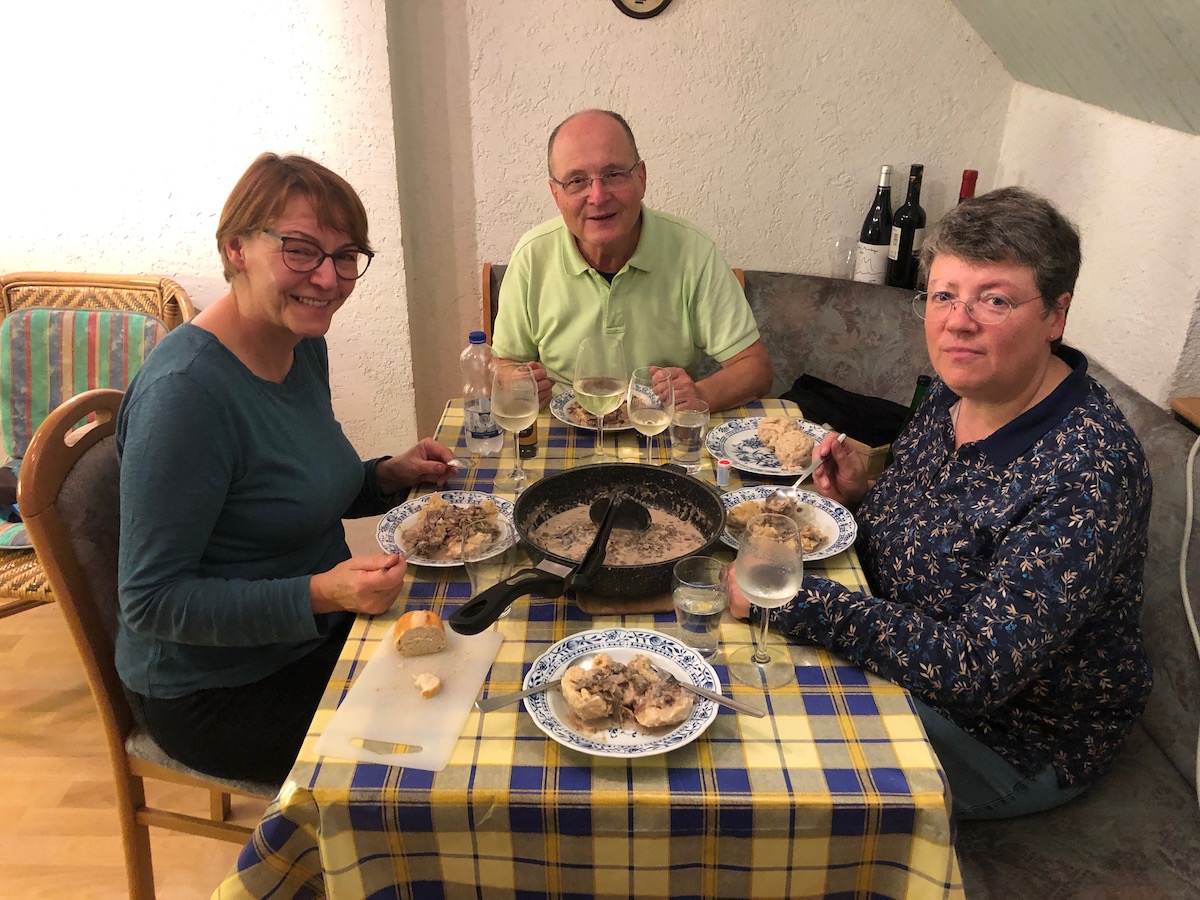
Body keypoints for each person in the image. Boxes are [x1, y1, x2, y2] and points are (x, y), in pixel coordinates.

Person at [730, 187, 1152, 819]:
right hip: (902, 648)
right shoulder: (960, 394)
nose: (958, 321)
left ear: (1056, 315)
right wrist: (865, 492)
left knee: (760, 740)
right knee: (730, 665)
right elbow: (941, 517)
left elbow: (977, 669)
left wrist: (789, 596)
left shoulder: (1089, 471)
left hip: (1008, 738)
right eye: (944, 295)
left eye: (995, 300)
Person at [116, 153, 456, 785]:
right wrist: (323, 592)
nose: (327, 278)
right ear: (236, 248)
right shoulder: (185, 394)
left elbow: (296, 491)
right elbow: (152, 601)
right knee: (436, 753)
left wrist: (387, 475)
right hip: (220, 688)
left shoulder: (301, 345)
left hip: (316, 634)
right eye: (300, 250)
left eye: (346, 255)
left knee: (473, 649)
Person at [491, 109, 773, 412]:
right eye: (577, 181)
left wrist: (700, 394)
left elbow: (755, 368)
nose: (598, 196)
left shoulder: (693, 250)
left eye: (613, 174)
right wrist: (515, 381)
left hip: (657, 426)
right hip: (562, 431)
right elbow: (503, 363)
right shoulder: (532, 255)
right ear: (556, 194)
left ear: (641, 178)